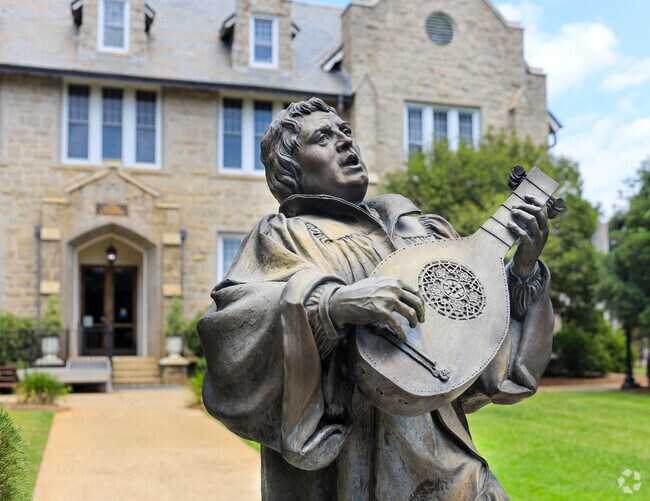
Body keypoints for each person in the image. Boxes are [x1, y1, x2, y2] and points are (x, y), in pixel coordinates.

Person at [198, 98, 554, 500]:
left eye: (346, 132)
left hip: (445, 465)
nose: (345, 143)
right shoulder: (283, 235)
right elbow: (232, 326)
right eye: (323, 138)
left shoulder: (422, 230)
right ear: (291, 169)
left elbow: (475, 339)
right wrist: (331, 305)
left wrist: (521, 274)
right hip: (343, 466)